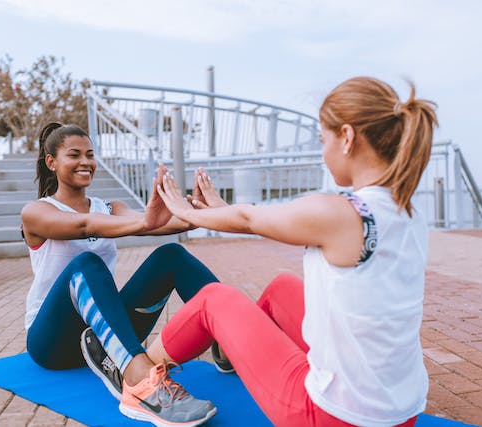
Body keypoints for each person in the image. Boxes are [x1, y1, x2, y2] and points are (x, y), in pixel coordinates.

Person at [148, 77, 438, 427]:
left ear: (346, 137)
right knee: (282, 289)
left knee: (214, 299)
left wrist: (187, 211)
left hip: (330, 416)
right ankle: (230, 355)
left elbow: (249, 218)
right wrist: (222, 209)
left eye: (323, 140)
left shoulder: (342, 212)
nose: (323, 151)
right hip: (400, 414)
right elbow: (262, 220)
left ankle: (140, 379)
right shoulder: (405, 211)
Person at [20, 122, 227, 427]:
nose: (85, 162)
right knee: (87, 264)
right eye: (73, 155)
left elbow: (155, 222)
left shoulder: (109, 206)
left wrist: (195, 214)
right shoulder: (36, 212)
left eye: (90, 155)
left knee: (172, 255)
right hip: (52, 342)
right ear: (51, 162)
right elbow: (84, 226)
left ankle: (229, 344)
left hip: (105, 335)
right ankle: (141, 384)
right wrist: (147, 222)